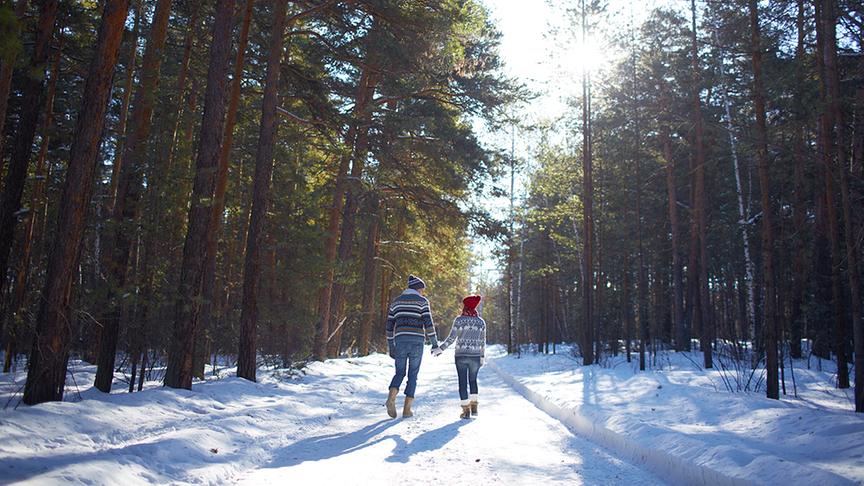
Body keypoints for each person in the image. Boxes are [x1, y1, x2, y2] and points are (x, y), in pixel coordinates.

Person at [385, 274, 439, 418]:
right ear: (418, 289)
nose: (423, 293)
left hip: (400, 341)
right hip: (417, 342)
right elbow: (428, 323)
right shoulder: (422, 302)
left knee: (399, 372)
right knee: (413, 375)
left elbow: (389, 326)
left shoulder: (395, 302)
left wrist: (391, 345)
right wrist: (434, 344)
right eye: (422, 290)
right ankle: (407, 409)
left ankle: (391, 397)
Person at [432, 295, 486, 419]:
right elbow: (483, 341)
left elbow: (451, 338)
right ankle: (474, 407)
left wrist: (440, 349)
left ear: (466, 306)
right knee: (473, 381)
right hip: (475, 356)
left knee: (462, 383)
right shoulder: (481, 322)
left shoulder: (459, 320)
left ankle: (466, 411)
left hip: (461, 356)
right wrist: (482, 357)